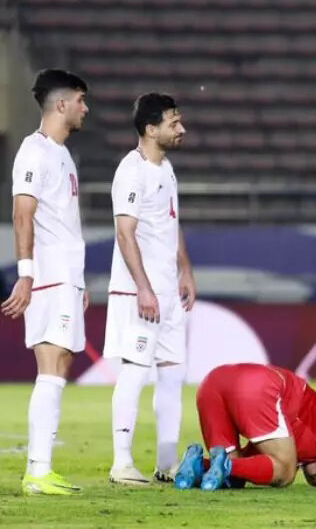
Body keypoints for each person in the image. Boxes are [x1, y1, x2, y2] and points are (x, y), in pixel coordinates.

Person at [3, 69, 89, 495]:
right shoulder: (33, 152)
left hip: (65, 277)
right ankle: (37, 470)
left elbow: (63, 222)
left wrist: (79, 281)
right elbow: (23, 213)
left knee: (61, 365)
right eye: (80, 100)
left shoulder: (62, 154)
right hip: (48, 276)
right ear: (61, 104)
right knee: (52, 365)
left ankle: (41, 467)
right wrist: (25, 276)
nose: (84, 109)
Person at [104, 93, 195, 485]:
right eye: (174, 123)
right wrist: (143, 288)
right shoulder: (132, 170)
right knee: (135, 371)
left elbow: (170, 223)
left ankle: (166, 463)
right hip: (139, 293)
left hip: (168, 292)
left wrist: (185, 270)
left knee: (173, 375)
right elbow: (125, 233)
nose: (182, 129)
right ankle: (121, 462)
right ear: (150, 129)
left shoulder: (167, 169)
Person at [173, 363, 316, 490]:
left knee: (233, 478)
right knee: (286, 473)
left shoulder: (287, 442)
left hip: (212, 383)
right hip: (257, 387)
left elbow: (246, 460)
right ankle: (222, 465)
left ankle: (195, 465)